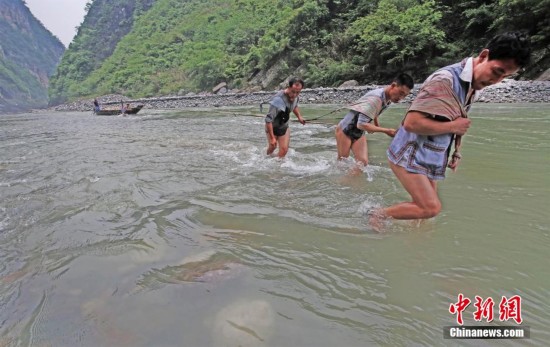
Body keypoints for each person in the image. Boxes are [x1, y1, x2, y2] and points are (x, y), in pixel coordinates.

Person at [372, 31, 531, 224]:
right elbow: (412, 123)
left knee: (423, 216)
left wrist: (456, 152)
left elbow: (457, 119)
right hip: (409, 154)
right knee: (430, 208)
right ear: (483, 56)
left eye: (505, 77)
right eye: (497, 71)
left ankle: (417, 248)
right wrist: (454, 126)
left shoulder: (472, 83)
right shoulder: (445, 80)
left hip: (429, 154)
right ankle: (378, 214)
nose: (495, 81)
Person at [335, 73, 414, 169]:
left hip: (358, 131)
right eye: (401, 93)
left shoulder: (387, 98)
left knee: (362, 164)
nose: (401, 98)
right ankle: (336, 182)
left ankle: (352, 183)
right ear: (393, 86)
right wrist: (386, 130)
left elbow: (374, 111)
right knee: (342, 164)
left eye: (404, 96)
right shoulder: (376, 98)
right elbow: (361, 124)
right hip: (345, 130)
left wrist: (376, 124)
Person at [264, 77, 306, 158]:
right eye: (293, 91)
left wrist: (299, 117)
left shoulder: (296, 97)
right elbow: (268, 120)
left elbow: (294, 106)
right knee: (273, 147)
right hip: (272, 127)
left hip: (284, 126)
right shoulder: (278, 100)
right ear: (288, 87)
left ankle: (278, 167)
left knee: (284, 150)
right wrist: (272, 138)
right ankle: (265, 160)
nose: (295, 95)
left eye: (298, 92)